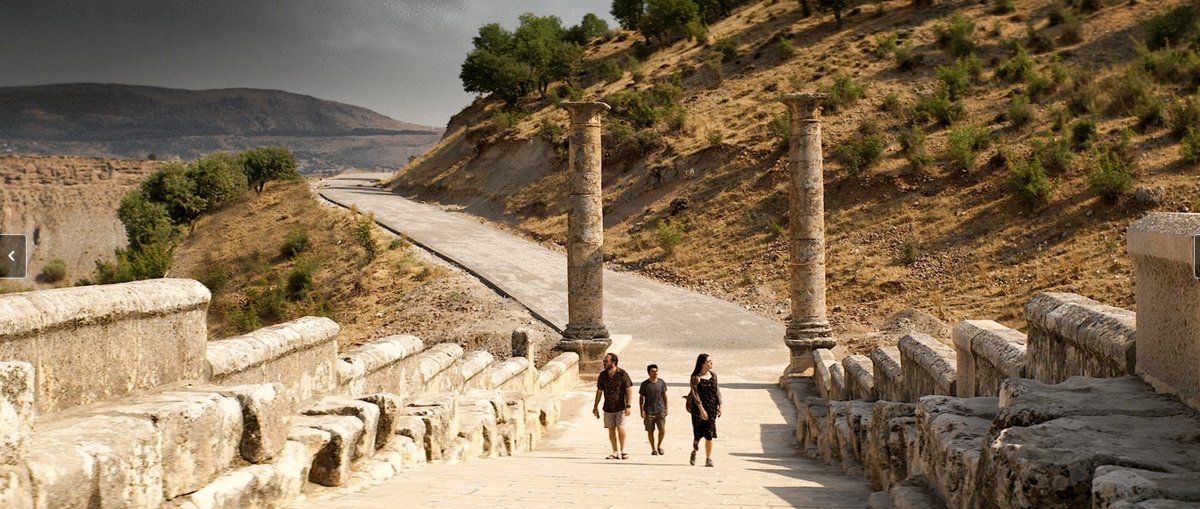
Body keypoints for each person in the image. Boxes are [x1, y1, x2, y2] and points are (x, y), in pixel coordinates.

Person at [593, 352, 633, 460]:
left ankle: (623, 450)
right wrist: (595, 406)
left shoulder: (622, 374)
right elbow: (599, 391)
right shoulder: (602, 375)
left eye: (606, 361)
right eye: (604, 361)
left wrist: (628, 405)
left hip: (620, 407)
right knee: (611, 429)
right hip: (608, 407)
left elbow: (629, 389)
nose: (604, 363)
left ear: (613, 362)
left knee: (620, 428)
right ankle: (615, 451)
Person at [688, 353, 722, 467]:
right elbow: (695, 395)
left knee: (709, 434)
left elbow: (716, 390)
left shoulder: (713, 375)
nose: (711, 363)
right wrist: (701, 410)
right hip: (698, 409)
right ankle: (694, 451)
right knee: (698, 433)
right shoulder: (695, 378)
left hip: (712, 407)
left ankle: (708, 458)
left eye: (711, 361)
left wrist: (720, 405)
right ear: (702, 364)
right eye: (708, 361)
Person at [638, 364, 668, 455]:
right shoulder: (645, 384)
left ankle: (659, 446)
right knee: (650, 431)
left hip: (660, 410)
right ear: (649, 373)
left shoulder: (661, 382)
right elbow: (641, 398)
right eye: (653, 371)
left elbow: (664, 395)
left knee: (662, 430)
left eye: (656, 371)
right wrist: (641, 410)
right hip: (649, 411)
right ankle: (653, 448)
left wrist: (666, 408)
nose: (655, 373)